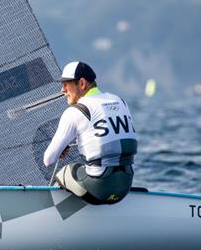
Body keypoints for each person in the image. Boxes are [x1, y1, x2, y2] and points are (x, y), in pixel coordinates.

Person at [43, 61, 138, 204]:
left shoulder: (75, 111)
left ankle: (54, 216)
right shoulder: (120, 101)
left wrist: (62, 148)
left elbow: (48, 160)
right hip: (124, 187)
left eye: (66, 84)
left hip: (99, 190)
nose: (63, 90)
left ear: (82, 83)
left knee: (66, 171)